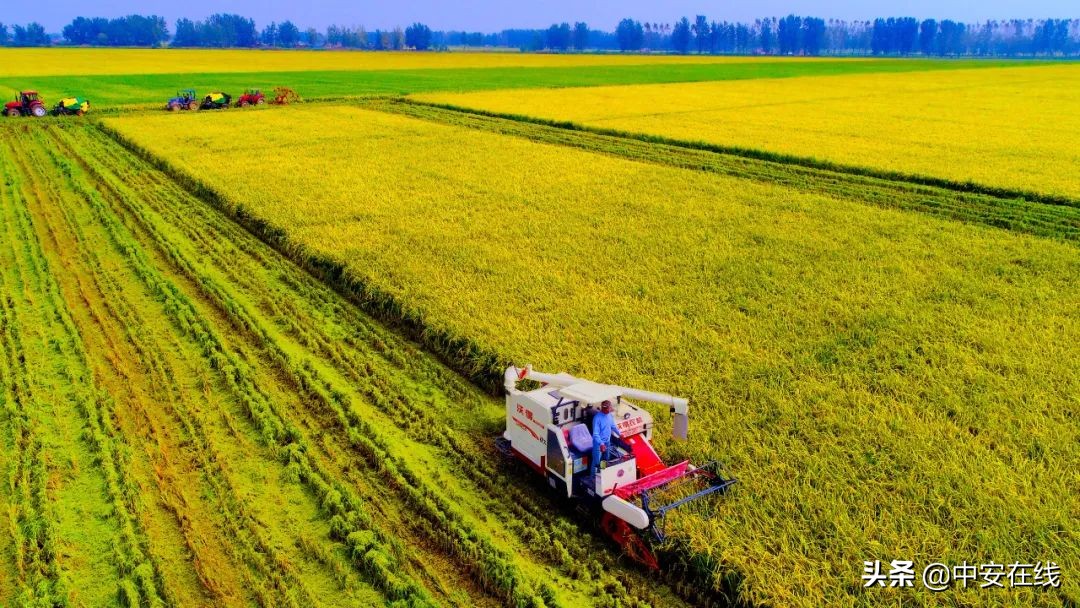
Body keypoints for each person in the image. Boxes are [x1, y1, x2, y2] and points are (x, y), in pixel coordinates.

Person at [590, 400, 621, 478]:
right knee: (596, 462)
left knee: (605, 458)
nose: (610, 409)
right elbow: (595, 434)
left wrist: (620, 434)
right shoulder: (597, 418)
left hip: (607, 442)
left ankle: (602, 474)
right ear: (604, 408)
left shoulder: (610, 416)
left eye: (610, 408)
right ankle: (593, 478)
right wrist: (601, 444)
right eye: (609, 408)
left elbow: (613, 426)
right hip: (599, 444)